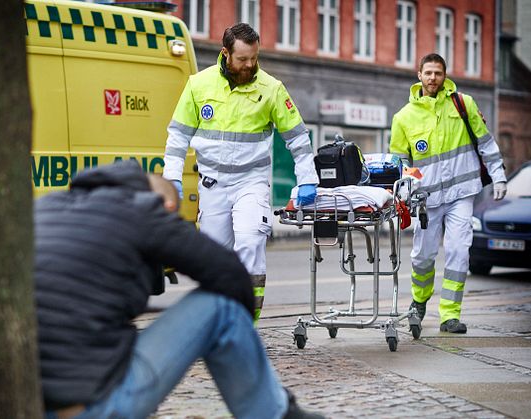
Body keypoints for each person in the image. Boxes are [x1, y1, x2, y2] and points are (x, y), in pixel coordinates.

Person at [34, 161, 323, 419]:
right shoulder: (143, 209)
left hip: (27, 401)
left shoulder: (44, 207)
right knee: (222, 309)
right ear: (168, 207)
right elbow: (229, 273)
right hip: (93, 406)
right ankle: (277, 414)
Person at [162, 23, 319, 322]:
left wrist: (308, 179)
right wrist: (172, 177)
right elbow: (178, 136)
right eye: (243, 59)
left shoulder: (271, 89)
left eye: (254, 58)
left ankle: (247, 321)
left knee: (249, 241)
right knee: (214, 259)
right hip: (212, 185)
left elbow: (297, 138)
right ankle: (218, 320)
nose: (250, 65)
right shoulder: (199, 85)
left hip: (252, 182)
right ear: (225, 53)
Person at [390, 53, 507, 334]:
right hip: (425, 199)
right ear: (418, 75)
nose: (433, 78)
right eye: (428, 73)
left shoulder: (463, 104)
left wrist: (499, 175)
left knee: (458, 251)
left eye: (438, 73)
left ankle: (450, 315)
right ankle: (419, 302)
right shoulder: (403, 117)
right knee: (422, 257)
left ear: (445, 76)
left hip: (461, 194)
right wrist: (407, 189)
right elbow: (400, 162)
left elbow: (485, 143)